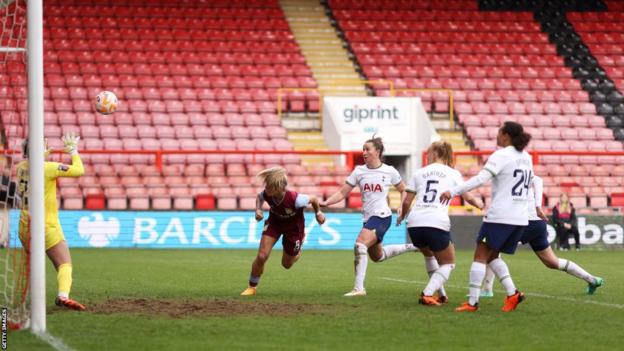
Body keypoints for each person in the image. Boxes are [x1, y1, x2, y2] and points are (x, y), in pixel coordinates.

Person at [440, 121, 533, 312]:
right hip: (520, 217)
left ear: (506, 136)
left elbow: (481, 179)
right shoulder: (526, 157)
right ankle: (512, 293)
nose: (496, 135)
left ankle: (473, 303)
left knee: (480, 255)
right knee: (492, 256)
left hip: (501, 215)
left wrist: (453, 190)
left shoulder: (501, 155)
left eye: (499, 132)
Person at [321, 136, 417, 297]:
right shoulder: (359, 171)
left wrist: (401, 206)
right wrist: (327, 202)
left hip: (382, 216)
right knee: (377, 256)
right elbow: (342, 193)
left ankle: (359, 288)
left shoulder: (389, 171)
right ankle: (414, 246)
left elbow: (404, 190)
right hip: (368, 218)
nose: (364, 152)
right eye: (363, 149)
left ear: (377, 151)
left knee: (360, 244)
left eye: (367, 149)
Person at [477, 175, 603, 296]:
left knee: (492, 250)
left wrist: (537, 206)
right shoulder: (520, 173)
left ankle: (490, 290)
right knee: (552, 262)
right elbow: (536, 181)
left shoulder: (512, 173)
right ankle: (592, 280)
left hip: (525, 222)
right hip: (537, 223)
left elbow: (536, 181)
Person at [397, 141, 483, 306]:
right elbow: (468, 197)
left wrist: (402, 216)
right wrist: (479, 205)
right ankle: (427, 294)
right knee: (448, 263)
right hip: (435, 221)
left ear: (435, 153)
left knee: (429, 255)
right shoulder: (453, 173)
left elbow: (407, 201)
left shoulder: (419, 172)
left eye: (429, 153)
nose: (428, 155)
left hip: (414, 223)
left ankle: (441, 294)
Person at [16, 134, 86, 310]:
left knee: (34, 265)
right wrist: (73, 151)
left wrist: (44, 153)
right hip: (45, 227)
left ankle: (30, 302)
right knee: (64, 264)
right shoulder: (48, 168)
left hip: (24, 226)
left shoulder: (21, 168)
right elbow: (79, 170)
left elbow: (35, 164)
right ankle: (63, 296)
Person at [241, 167, 326, 296]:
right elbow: (259, 197)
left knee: (286, 264)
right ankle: (252, 287)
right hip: (274, 223)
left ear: (280, 188)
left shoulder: (296, 199)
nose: (266, 189)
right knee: (262, 256)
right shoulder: (267, 193)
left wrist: (318, 213)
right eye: (267, 186)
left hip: (294, 229)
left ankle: (299, 247)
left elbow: (313, 199)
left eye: (270, 187)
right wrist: (258, 210)